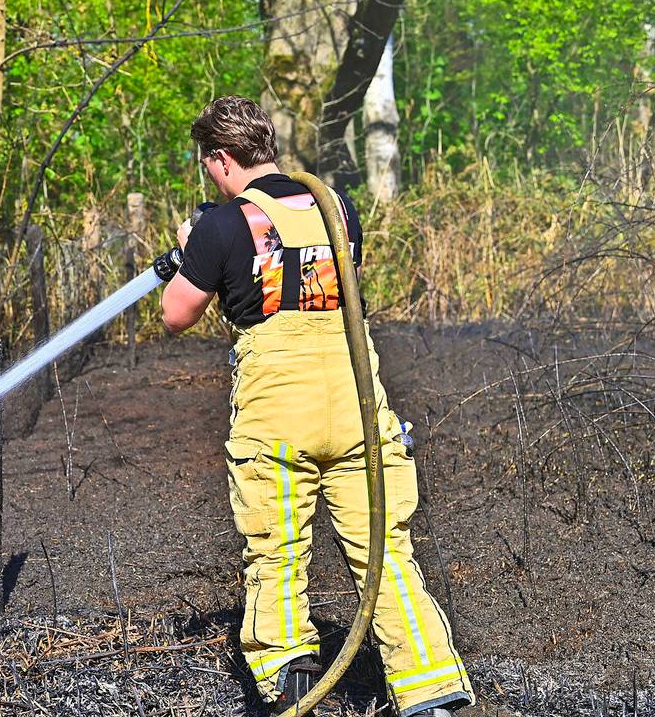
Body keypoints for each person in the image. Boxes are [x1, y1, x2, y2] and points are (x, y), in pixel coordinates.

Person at [160, 96, 475, 717]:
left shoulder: (222, 226)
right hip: (358, 408)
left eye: (207, 164)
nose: (208, 174)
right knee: (385, 553)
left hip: (278, 418)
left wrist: (191, 247)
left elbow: (175, 313)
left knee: (276, 554)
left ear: (221, 159)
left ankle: (292, 687)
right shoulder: (337, 208)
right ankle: (431, 692)